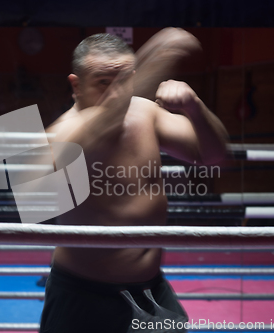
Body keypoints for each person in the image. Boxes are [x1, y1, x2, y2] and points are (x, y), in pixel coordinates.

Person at [39, 29, 229, 333]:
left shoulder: (146, 113)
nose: (116, 93)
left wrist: (194, 106)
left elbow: (216, 155)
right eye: (103, 82)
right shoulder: (61, 133)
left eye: (124, 81)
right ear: (76, 85)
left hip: (150, 288)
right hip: (82, 296)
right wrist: (159, 56)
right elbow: (95, 137)